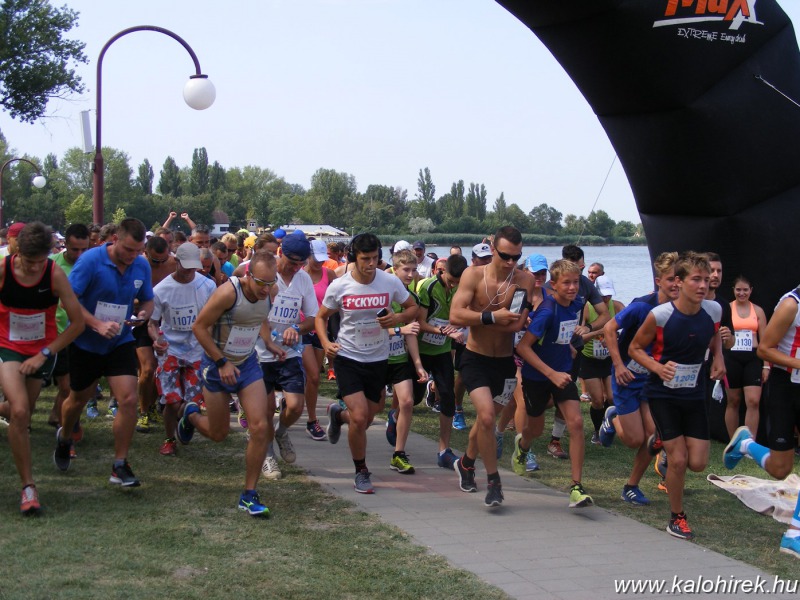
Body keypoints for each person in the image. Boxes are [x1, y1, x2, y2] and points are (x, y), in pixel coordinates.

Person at [628, 251, 724, 540]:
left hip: (694, 393)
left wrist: (718, 357)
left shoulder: (714, 310)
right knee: (679, 460)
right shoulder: (660, 315)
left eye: (707, 280)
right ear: (679, 282)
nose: (703, 285)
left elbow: (714, 335)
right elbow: (634, 348)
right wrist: (657, 366)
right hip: (662, 394)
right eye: (696, 279)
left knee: (698, 463)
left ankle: (657, 439)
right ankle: (676, 518)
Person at [53, 218, 154, 488]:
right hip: (85, 342)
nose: (133, 256)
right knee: (77, 399)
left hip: (119, 341)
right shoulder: (90, 261)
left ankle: (119, 464)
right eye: (129, 250)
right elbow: (68, 300)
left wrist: (144, 314)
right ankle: (64, 437)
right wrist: (96, 324)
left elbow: (147, 298)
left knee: (128, 399)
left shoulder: (141, 265)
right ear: (115, 240)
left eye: (138, 250)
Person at [180, 250, 281, 517]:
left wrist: (269, 341)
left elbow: (259, 319)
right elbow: (199, 328)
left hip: (247, 364)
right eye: (261, 283)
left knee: (261, 426)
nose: (266, 289)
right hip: (216, 366)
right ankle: (190, 415)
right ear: (248, 275)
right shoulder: (228, 293)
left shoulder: (270, 291)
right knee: (218, 434)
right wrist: (221, 362)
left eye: (270, 283)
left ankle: (249, 494)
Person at [315, 233, 418, 494]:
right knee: (361, 417)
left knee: (368, 416)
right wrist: (326, 344)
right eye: (364, 259)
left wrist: (396, 318)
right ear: (354, 258)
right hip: (348, 357)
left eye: (374, 258)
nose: (370, 264)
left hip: (378, 358)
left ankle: (338, 415)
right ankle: (361, 471)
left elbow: (412, 308)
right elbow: (321, 317)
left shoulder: (389, 281)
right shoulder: (340, 286)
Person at [0, 222, 85, 514]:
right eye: (30, 262)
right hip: (7, 347)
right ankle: (28, 487)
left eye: (41, 261)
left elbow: (77, 323)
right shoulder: (3, 270)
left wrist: (45, 352)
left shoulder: (54, 274)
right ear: (17, 253)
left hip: (41, 350)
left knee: (21, 414)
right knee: (21, 410)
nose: (36, 268)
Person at [450, 226, 534, 507]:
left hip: (505, 364)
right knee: (486, 418)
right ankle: (494, 482)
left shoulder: (524, 280)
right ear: (492, 248)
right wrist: (491, 317)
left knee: (485, 423)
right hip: (475, 357)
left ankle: (466, 463)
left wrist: (514, 319)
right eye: (506, 256)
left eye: (517, 256)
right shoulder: (473, 275)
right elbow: (456, 314)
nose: (511, 262)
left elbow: (518, 322)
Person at [723, 283, 800, 559]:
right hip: (786, 387)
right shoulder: (792, 304)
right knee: (781, 469)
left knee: (783, 468)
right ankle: (746, 444)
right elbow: (765, 349)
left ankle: (794, 533)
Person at [600, 252, 680, 505]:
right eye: (670, 279)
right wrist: (618, 364)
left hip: (651, 379)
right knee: (634, 439)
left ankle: (631, 486)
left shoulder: (681, 309)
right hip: (627, 375)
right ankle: (613, 416)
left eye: (680, 278)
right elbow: (609, 328)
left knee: (653, 437)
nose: (676, 284)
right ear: (658, 281)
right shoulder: (642, 306)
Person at [515, 259, 595, 509]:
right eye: (567, 283)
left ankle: (576, 487)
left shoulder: (577, 304)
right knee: (534, 431)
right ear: (554, 284)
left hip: (563, 373)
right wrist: (551, 373)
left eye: (576, 283)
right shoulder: (547, 311)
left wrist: (568, 345)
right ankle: (522, 446)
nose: (573, 288)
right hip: (537, 377)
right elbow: (523, 347)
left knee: (577, 423)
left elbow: (563, 333)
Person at [257, 233, 318, 480]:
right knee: (266, 408)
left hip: (290, 353)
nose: (295, 268)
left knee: (294, 406)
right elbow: (254, 312)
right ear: (281, 253)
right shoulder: (265, 274)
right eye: (292, 262)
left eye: (300, 263)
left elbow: (313, 317)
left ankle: (281, 432)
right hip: (260, 353)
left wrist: (298, 329)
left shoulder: (303, 280)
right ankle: (268, 455)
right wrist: (269, 342)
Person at [147, 243, 216, 456]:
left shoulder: (207, 286)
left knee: (192, 401)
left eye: (193, 267)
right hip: (170, 351)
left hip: (197, 351)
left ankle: (186, 421)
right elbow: (152, 323)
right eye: (185, 267)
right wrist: (155, 339)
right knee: (172, 400)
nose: (189, 272)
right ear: (176, 262)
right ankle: (169, 439)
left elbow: (214, 318)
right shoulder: (161, 290)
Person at [414, 254, 468, 469]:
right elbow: (419, 322)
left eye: (458, 281)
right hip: (420, 348)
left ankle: (443, 450)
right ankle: (395, 417)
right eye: (451, 280)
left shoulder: (462, 288)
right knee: (413, 397)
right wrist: (444, 330)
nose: (454, 284)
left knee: (447, 396)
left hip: (442, 350)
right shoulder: (428, 287)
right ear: (442, 270)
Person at [383, 249, 428, 474]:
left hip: (399, 358)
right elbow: (374, 328)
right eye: (406, 270)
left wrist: (418, 364)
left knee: (408, 402)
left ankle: (398, 454)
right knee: (366, 410)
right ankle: (338, 413)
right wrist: (400, 328)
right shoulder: (383, 293)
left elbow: (411, 333)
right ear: (394, 269)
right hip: (376, 357)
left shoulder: (413, 300)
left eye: (414, 269)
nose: (411, 274)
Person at [48, 224, 90, 427]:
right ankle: (66, 426)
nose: (80, 254)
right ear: (65, 244)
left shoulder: (92, 265)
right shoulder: (52, 265)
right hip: (56, 332)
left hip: (82, 332)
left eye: (84, 249)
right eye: (75, 249)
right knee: (66, 386)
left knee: (74, 386)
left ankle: (58, 417)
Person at [134, 236, 177, 434]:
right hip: (143, 321)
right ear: (146, 252)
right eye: (155, 261)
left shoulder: (174, 264)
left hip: (167, 322)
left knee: (162, 370)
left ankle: (153, 406)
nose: (160, 264)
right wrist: (142, 305)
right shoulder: (138, 265)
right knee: (148, 369)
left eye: (163, 259)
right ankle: (143, 412)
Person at [581, 275, 625, 445]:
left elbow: (631, 331)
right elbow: (580, 337)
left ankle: (607, 428)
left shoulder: (619, 307)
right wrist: (597, 334)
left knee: (613, 398)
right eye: (603, 295)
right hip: (589, 358)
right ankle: (597, 430)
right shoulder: (587, 308)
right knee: (598, 400)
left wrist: (615, 337)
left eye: (609, 295)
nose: (606, 298)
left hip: (608, 359)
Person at [302, 239, 338, 441]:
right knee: (309, 375)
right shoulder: (301, 274)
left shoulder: (329, 274)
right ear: (308, 255)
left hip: (320, 330)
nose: (319, 263)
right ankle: (308, 417)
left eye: (322, 259)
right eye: (315, 259)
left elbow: (336, 299)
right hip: (301, 328)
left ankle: (311, 420)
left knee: (314, 377)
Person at [723, 275, 766, 437]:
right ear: (733, 290)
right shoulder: (726, 309)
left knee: (753, 401)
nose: (742, 293)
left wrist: (767, 366)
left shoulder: (758, 311)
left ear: (751, 291)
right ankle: (733, 442)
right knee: (733, 401)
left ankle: (749, 442)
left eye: (745, 290)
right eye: (738, 290)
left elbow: (765, 341)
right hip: (731, 357)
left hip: (753, 358)